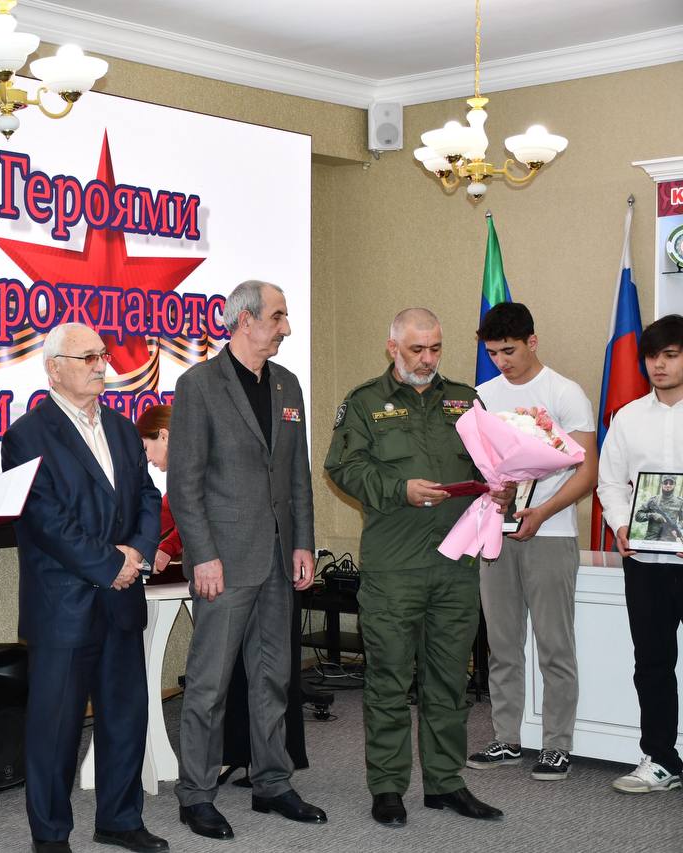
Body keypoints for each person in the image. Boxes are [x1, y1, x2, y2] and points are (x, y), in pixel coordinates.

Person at [324, 307, 512, 826]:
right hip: (395, 567)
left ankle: (446, 783)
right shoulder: (365, 402)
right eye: (416, 349)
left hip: (455, 563)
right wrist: (398, 489)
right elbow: (343, 466)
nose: (428, 359)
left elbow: (492, 465)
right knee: (388, 679)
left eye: (435, 348)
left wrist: (504, 490)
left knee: (449, 680)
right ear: (393, 348)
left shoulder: (466, 400)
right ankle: (387, 787)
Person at [2, 323, 168, 853]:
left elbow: (147, 495)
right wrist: (109, 563)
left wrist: (137, 552)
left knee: (125, 717)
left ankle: (119, 820)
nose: (101, 365)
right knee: (55, 729)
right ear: (54, 369)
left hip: (121, 599)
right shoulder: (27, 435)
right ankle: (50, 835)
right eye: (88, 357)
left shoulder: (121, 427)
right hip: (64, 606)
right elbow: (45, 520)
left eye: (103, 355)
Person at [168, 280, 323, 839]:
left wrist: (303, 542)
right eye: (278, 317)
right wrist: (202, 555)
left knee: (273, 679)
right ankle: (195, 794)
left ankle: (272, 783)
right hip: (225, 563)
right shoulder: (198, 385)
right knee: (209, 685)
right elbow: (184, 485)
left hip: (279, 559)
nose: (286, 328)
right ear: (245, 320)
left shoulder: (287, 384)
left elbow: (297, 474)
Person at [468, 302, 597, 781]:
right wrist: (493, 492)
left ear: (532, 341)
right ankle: (506, 738)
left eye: (509, 350)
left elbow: (587, 471)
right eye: (493, 353)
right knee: (502, 643)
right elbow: (477, 464)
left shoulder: (564, 392)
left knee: (554, 645)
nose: (501, 361)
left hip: (551, 532)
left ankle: (557, 745)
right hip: (496, 532)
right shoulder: (482, 396)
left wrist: (542, 512)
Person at [596, 313, 683, 794]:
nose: (658, 365)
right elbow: (610, 482)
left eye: (670, 355)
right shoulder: (627, 418)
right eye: (651, 357)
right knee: (652, 663)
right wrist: (620, 524)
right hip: (645, 563)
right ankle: (661, 759)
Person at [134, 405, 182, 577]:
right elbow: (164, 514)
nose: (146, 459)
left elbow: (194, 522)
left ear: (163, 436)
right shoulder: (181, 479)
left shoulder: (200, 472)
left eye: (146, 448)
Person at [635, 475, 683, 544]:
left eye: (671, 483)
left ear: (674, 485)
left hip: (669, 541)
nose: (668, 485)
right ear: (661, 484)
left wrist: (678, 527)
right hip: (650, 540)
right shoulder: (653, 500)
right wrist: (651, 515)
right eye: (665, 483)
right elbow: (637, 516)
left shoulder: (680, 502)